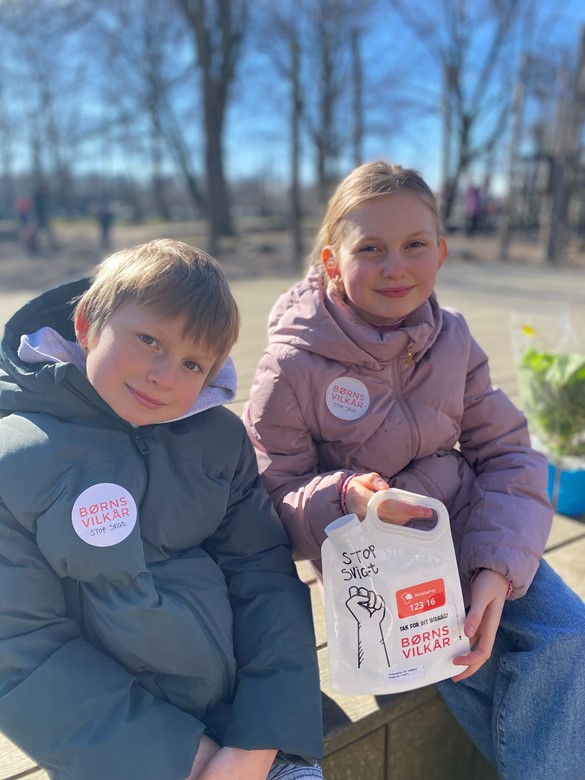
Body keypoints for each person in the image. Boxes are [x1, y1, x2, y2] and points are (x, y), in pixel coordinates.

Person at [243, 161, 585, 779]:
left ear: (441, 253)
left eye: (414, 245)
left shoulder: (452, 338)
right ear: (330, 261)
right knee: (461, 673)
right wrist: (347, 496)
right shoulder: (289, 368)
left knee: (570, 635)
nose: (394, 266)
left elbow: (507, 453)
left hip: (475, 530)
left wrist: (495, 570)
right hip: (381, 568)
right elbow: (273, 497)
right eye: (370, 248)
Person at [0, 239, 324, 780]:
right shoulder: (17, 462)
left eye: (194, 362)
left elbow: (264, 576)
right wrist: (187, 760)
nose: (166, 376)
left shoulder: (220, 440)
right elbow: (19, 649)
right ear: (86, 324)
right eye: (149, 339)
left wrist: (263, 733)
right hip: (121, 753)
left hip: (250, 730)